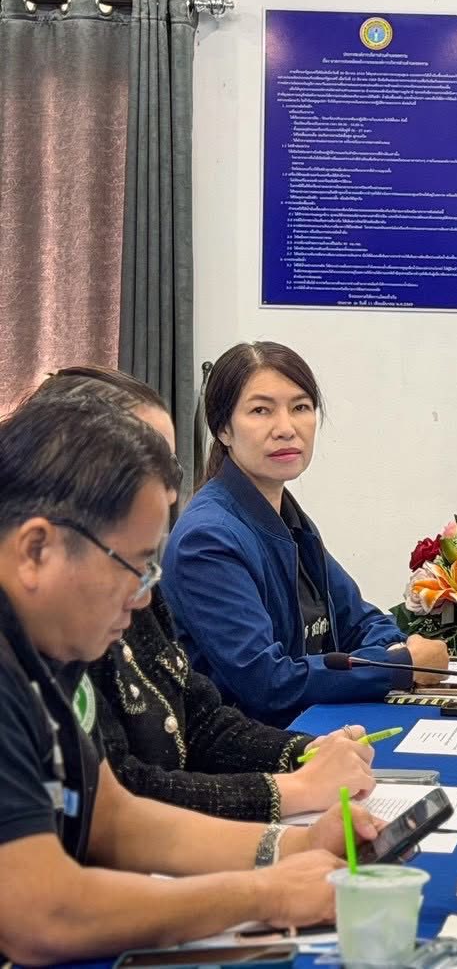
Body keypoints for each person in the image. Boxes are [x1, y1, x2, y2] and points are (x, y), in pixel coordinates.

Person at [0, 391, 378, 963]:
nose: (145, 598)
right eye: (135, 566)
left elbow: (114, 820)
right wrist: (265, 894)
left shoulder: (48, 647)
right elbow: (41, 914)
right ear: (36, 550)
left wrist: (294, 845)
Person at [35, 366, 376, 822]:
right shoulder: (202, 537)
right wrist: (291, 792)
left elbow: (197, 719)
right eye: (142, 463)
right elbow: (121, 797)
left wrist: (307, 751)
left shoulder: (132, 577)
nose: (169, 489)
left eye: (169, 466)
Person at [164, 341, 448, 727]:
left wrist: (396, 654)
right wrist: (398, 666)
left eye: (300, 407)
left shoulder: (286, 516)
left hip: (312, 727)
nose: (286, 429)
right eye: (261, 410)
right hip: (253, 748)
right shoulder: (208, 539)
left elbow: (360, 622)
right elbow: (267, 682)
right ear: (224, 429)